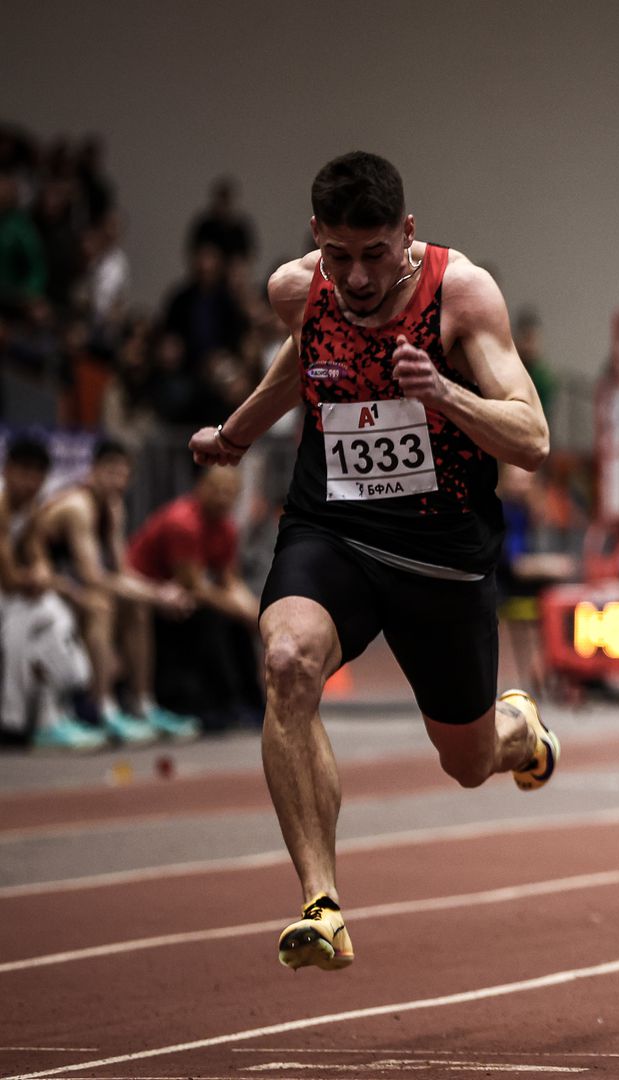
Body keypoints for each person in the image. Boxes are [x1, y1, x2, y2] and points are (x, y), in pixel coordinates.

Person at [187, 151, 558, 972]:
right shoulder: (299, 288)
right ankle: (322, 904)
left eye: (375, 255)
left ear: (409, 235)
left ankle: (514, 728)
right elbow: (301, 357)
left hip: (440, 555)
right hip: (334, 531)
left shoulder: (461, 295)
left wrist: (445, 395)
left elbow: (533, 441)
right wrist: (237, 432)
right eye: (339, 255)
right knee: (286, 661)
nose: (355, 277)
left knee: (465, 764)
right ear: (317, 238)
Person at [32, 438, 200, 745]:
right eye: (110, 472)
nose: (117, 481)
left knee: (136, 605)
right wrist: (158, 594)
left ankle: (142, 702)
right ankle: (103, 706)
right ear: (93, 470)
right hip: (45, 585)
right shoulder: (78, 507)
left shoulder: (113, 506)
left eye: (124, 474)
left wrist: (159, 592)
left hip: (72, 585)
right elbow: (92, 577)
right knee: (102, 603)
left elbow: (121, 571)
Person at [126, 467, 263, 732]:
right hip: (149, 597)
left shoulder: (226, 527)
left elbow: (229, 581)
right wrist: (242, 612)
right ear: (200, 486)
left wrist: (256, 613)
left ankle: (251, 702)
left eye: (231, 491)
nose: (224, 497)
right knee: (215, 617)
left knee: (241, 621)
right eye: (217, 489)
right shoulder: (183, 522)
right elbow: (195, 587)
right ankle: (213, 704)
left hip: (181, 595)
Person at [0, 435, 101, 750]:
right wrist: (37, 581)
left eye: (37, 476)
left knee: (52, 615)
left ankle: (48, 716)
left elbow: (34, 551)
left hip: (13, 593)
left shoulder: (31, 505)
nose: (30, 483)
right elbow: (9, 578)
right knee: (25, 623)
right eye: (23, 473)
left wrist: (43, 572)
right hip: (6, 590)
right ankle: (16, 717)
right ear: (8, 470)